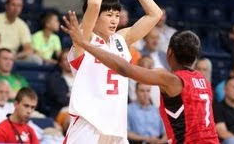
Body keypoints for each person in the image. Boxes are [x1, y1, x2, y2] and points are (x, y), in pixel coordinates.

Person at [62, 9, 219, 144]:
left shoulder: (172, 80)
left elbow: (124, 68)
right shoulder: (204, 81)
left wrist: (85, 44)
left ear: (169, 52)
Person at [61, 0, 162, 143]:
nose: (115, 20)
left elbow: (155, 14)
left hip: (116, 128)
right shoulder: (83, 40)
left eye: (117, 15)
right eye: (109, 15)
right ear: (95, 17)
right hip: (88, 126)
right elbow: (93, 5)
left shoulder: (121, 40)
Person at [0, 0, 42, 64]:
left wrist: (15, 56)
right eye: (13, 5)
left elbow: (28, 49)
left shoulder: (22, 25)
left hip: (12, 56)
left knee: (36, 59)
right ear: (6, 6)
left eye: (19, 6)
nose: (16, 8)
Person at [46, 49, 73, 133]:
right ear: (60, 63)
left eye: (71, 58)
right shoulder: (55, 79)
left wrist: (70, 95)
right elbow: (62, 99)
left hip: (82, 111)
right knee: (72, 120)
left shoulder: (82, 77)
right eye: (65, 59)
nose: (69, 61)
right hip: (63, 112)